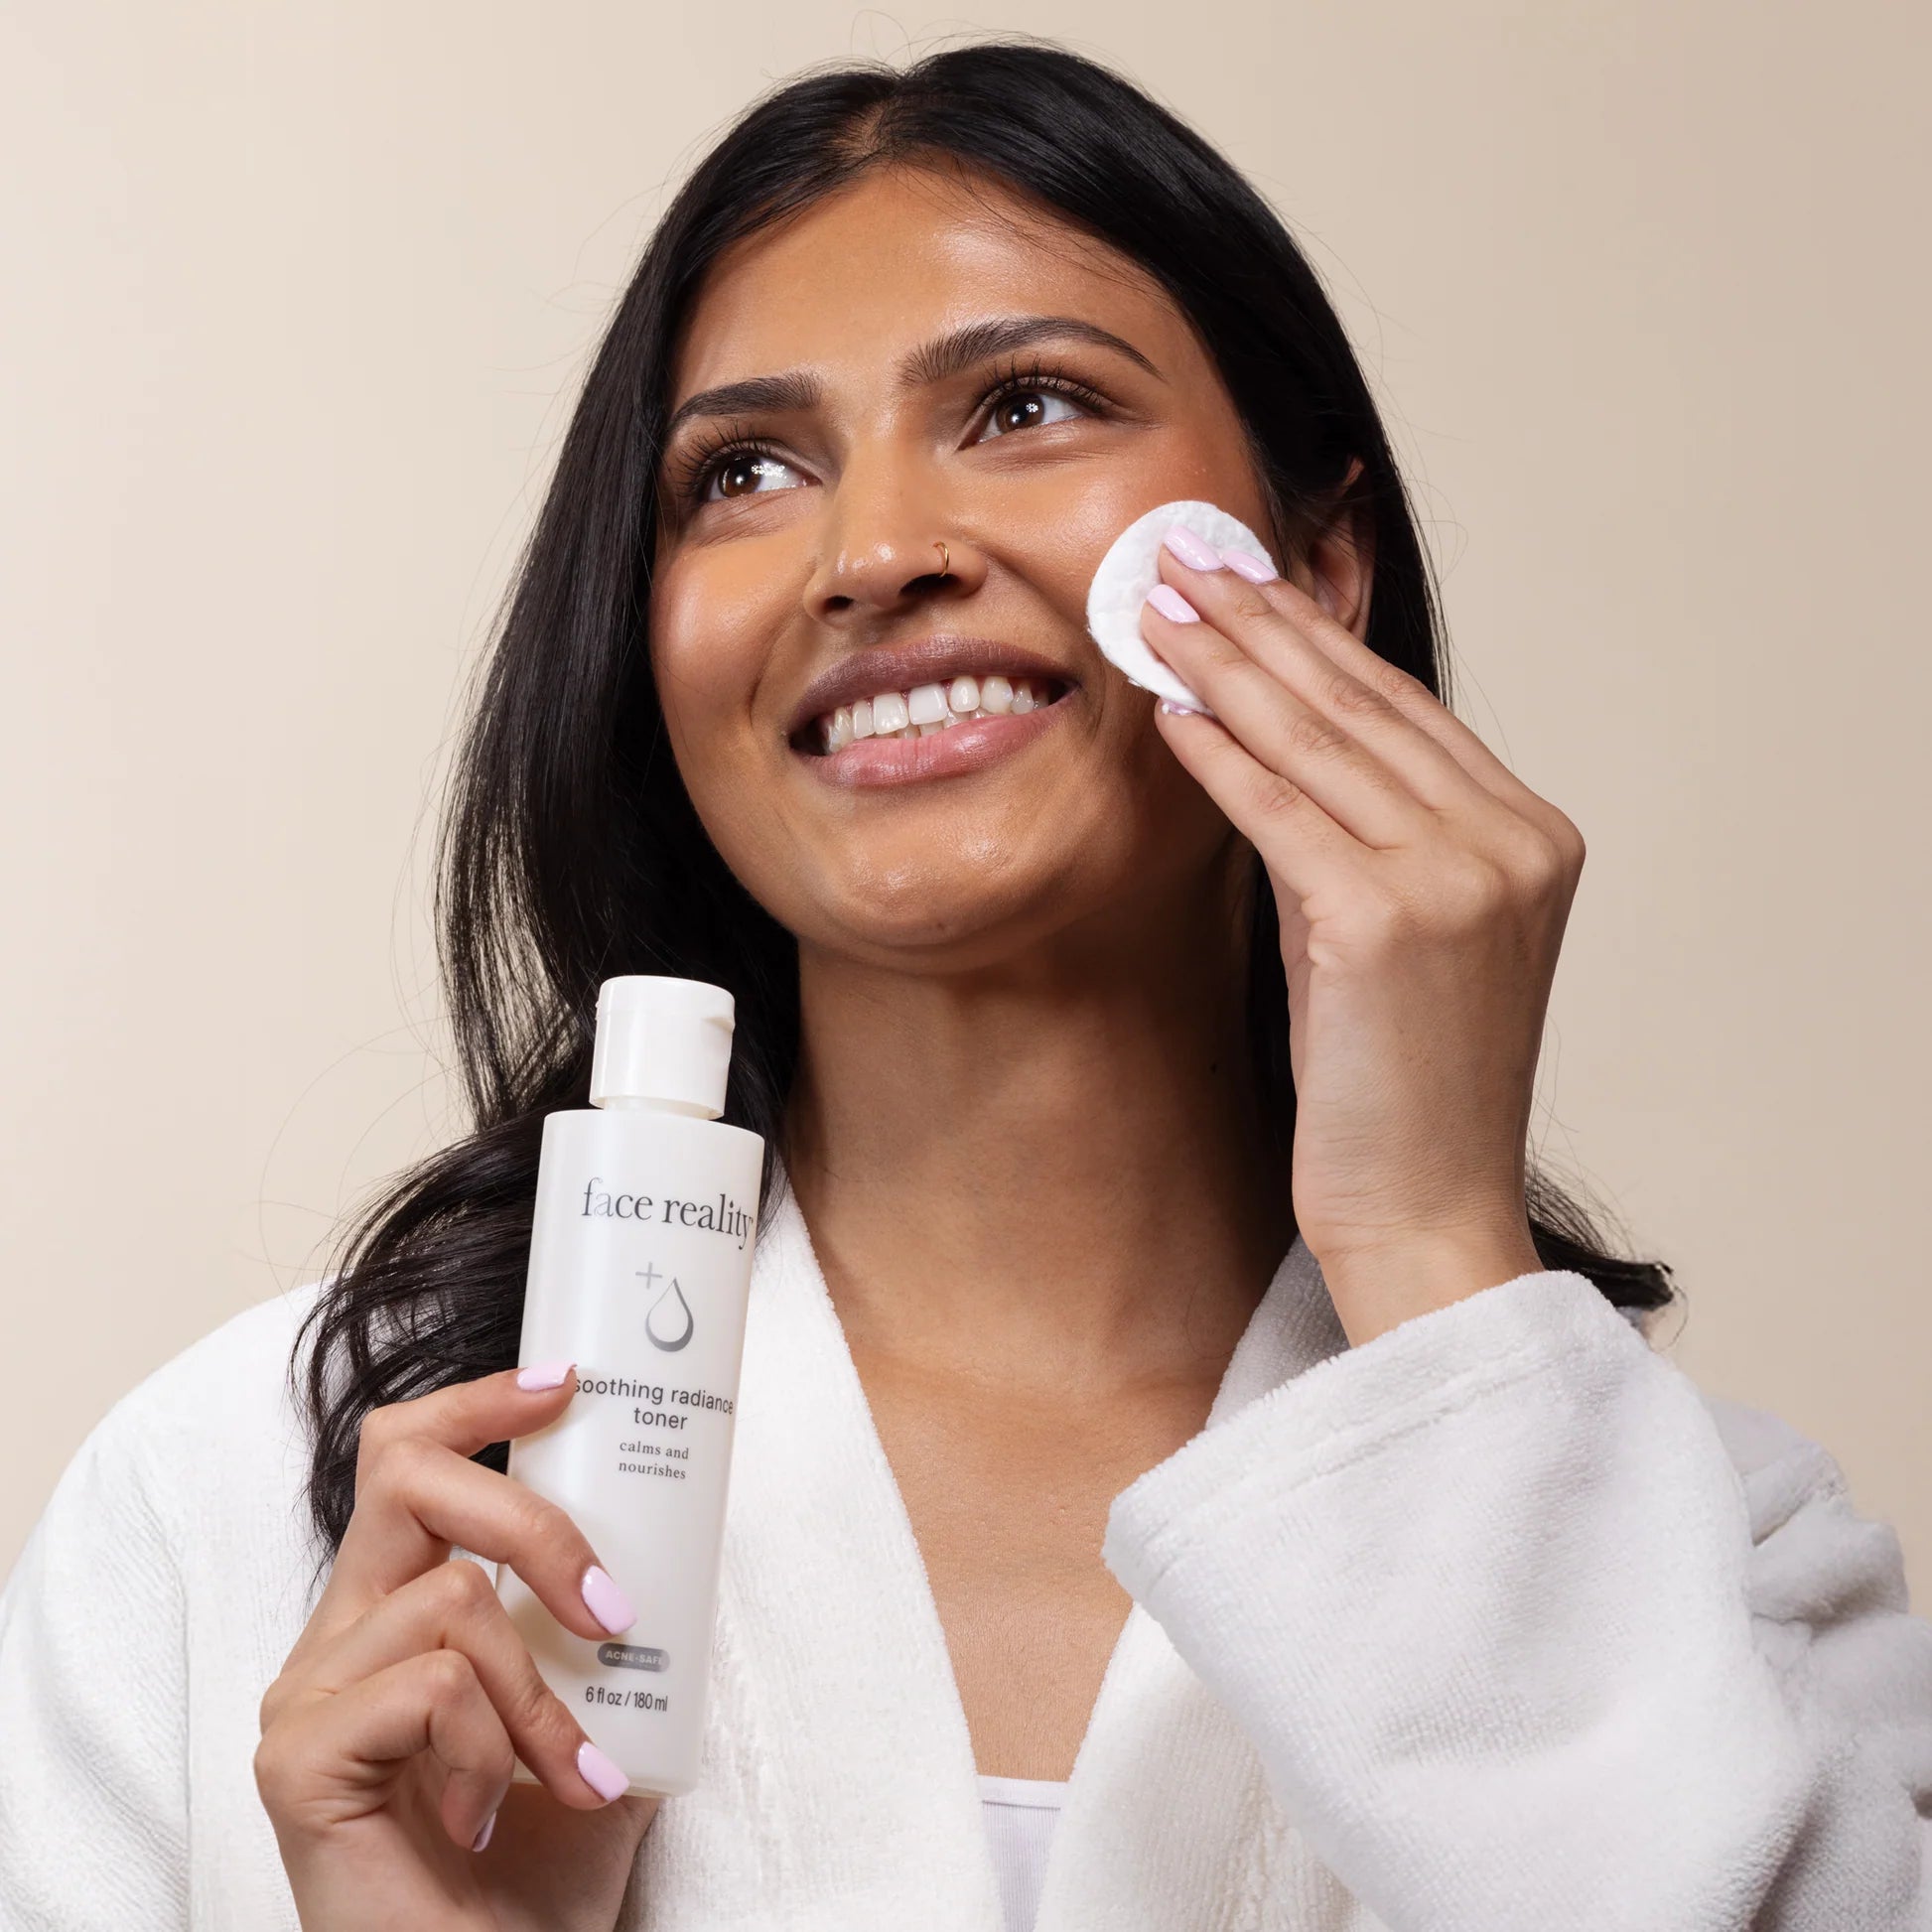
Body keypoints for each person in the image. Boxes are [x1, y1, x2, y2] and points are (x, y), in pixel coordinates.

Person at [3, 36, 1929, 1932]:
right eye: (743, 470)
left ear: (1317, 568)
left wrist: (1427, 1241)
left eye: (1023, 407)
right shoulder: (252, 1508)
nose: (875, 553)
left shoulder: (1719, 1580)